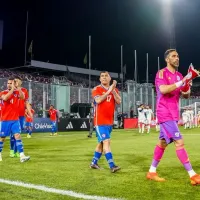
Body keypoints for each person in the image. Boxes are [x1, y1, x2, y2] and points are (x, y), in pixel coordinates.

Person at [146, 49, 200, 185]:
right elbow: (163, 89)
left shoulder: (179, 75)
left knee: (162, 143)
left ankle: (152, 171)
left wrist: (187, 85)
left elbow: (185, 95)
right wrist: (183, 81)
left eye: (178, 56)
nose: (177, 58)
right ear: (167, 59)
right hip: (164, 112)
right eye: (173, 56)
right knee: (179, 141)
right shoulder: (162, 73)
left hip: (174, 113)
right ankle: (192, 175)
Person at [90, 71, 121, 173]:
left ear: (110, 78)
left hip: (109, 122)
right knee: (106, 141)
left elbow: (119, 101)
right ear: (99, 79)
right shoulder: (96, 89)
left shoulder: (114, 90)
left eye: (106, 76)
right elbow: (98, 101)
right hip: (100, 122)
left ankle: (94, 163)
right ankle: (112, 165)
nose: (104, 78)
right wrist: (109, 91)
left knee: (102, 143)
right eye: (102, 76)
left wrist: (113, 90)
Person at [0, 77, 30, 162]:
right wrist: (12, 89)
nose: (9, 85)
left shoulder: (17, 92)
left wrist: (19, 88)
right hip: (5, 119)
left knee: (17, 135)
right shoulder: (3, 92)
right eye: (8, 83)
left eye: (11, 83)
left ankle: (22, 156)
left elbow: (22, 97)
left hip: (15, 119)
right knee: (2, 138)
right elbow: (5, 98)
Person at [10, 76, 32, 158]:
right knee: (13, 134)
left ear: (21, 82)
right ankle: (12, 151)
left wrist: (29, 112)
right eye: (15, 81)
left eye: (17, 81)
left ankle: (16, 151)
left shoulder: (24, 91)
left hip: (21, 114)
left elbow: (26, 102)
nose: (16, 82)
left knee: (18, 133)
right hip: (13, 114)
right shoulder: (11, 90)